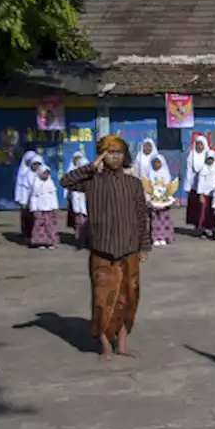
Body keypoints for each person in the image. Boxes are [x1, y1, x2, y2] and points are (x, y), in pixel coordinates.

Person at [60, 135, 151, 361]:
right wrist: (92, 166)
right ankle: (105, 346)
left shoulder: (133, 184)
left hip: (129, 249)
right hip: (102, 250)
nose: (115, 156)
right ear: (101, 154)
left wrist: (144, 245)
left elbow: (141, 216)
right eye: (109, 152)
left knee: (128, 298)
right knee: (103, 299)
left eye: (118, 152)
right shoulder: (91, 182)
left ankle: (121, 344)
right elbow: (65, 181)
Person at [144, 154, 178, 247]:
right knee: (154, 220)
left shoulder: (166, 174)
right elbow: (147, 187)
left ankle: (165, 237)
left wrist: (169, 198)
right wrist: (148, 198)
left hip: (164, 201)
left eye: (158, 163)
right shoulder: (149, 173)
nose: (156, 165)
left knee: (164, 220)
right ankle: (155, 237)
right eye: (155, 163)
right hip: (153, 201)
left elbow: (169, 188)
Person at [28, 163, 60, 249]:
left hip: (49, 208)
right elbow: (33, 197)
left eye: (47, 173)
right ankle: (41, 242)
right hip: (40, 208)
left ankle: (50, 242)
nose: (46, 175)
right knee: (40, 226)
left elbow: (54, 196)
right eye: (44, 173)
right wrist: (34, 209)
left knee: (50, 225)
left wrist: (55, 207)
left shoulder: (50, 183)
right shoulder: (36, 183)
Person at [184, 136, 210, 227]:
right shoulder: (192, 155)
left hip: (206, 185)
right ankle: (197, 226)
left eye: (201, 144)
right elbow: (188, 171)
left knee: (206, 207)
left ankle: (206, 226)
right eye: (197, 144)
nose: (199, 147)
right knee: (195, 207)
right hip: (194, 185)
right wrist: (187, 186)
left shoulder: (208, 154)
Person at [194, 153, 215, 238]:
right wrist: (201, 194)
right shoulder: (203, 169)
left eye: (211, 159)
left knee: (214, 213)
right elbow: (200, 183)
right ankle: (204, 230)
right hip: (205, 195)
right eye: (208, 159)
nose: (210, 161)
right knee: (204, 213)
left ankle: (214, 230)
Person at [66, 151, 90, 249]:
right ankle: (80, 241)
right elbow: (74, 192)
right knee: (80, 223)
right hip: (79, 205)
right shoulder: (75, 176)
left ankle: (88, 240)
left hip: (89, 205)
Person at [14, 150, 40, 238]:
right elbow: (19, 187)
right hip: (24, 199)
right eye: (28, 160)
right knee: (26, 218)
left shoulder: (38, 172)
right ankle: (26, 234)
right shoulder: (22, 172)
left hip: (36, 200)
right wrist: (20, 199)